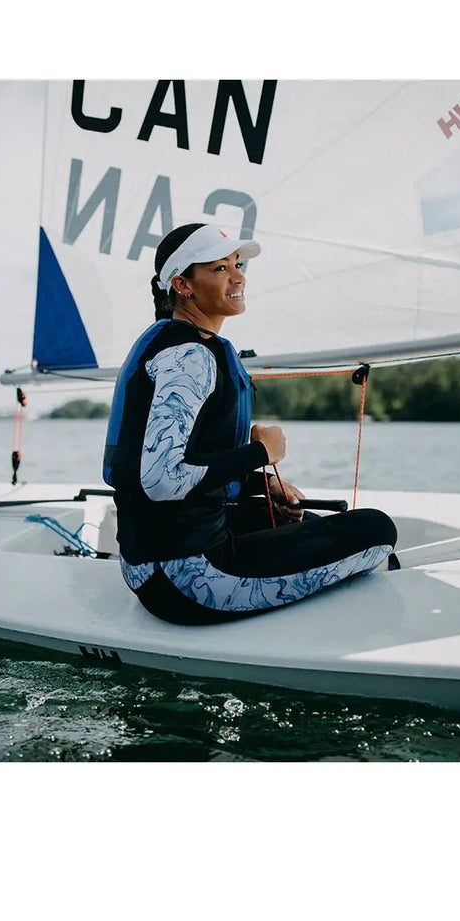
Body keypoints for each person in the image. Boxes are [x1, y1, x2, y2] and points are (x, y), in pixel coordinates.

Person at [102, 222, 398, 624]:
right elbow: (160, 480)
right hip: (187, 578)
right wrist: (260, 452)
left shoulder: (171, 343)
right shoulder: (190, 355)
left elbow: (175, 465)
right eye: (220, 268)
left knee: (300, 520)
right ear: (182, 285)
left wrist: (260, 483)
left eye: (237, 264)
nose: (238, 277)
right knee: (376, 530)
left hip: (150, 562)